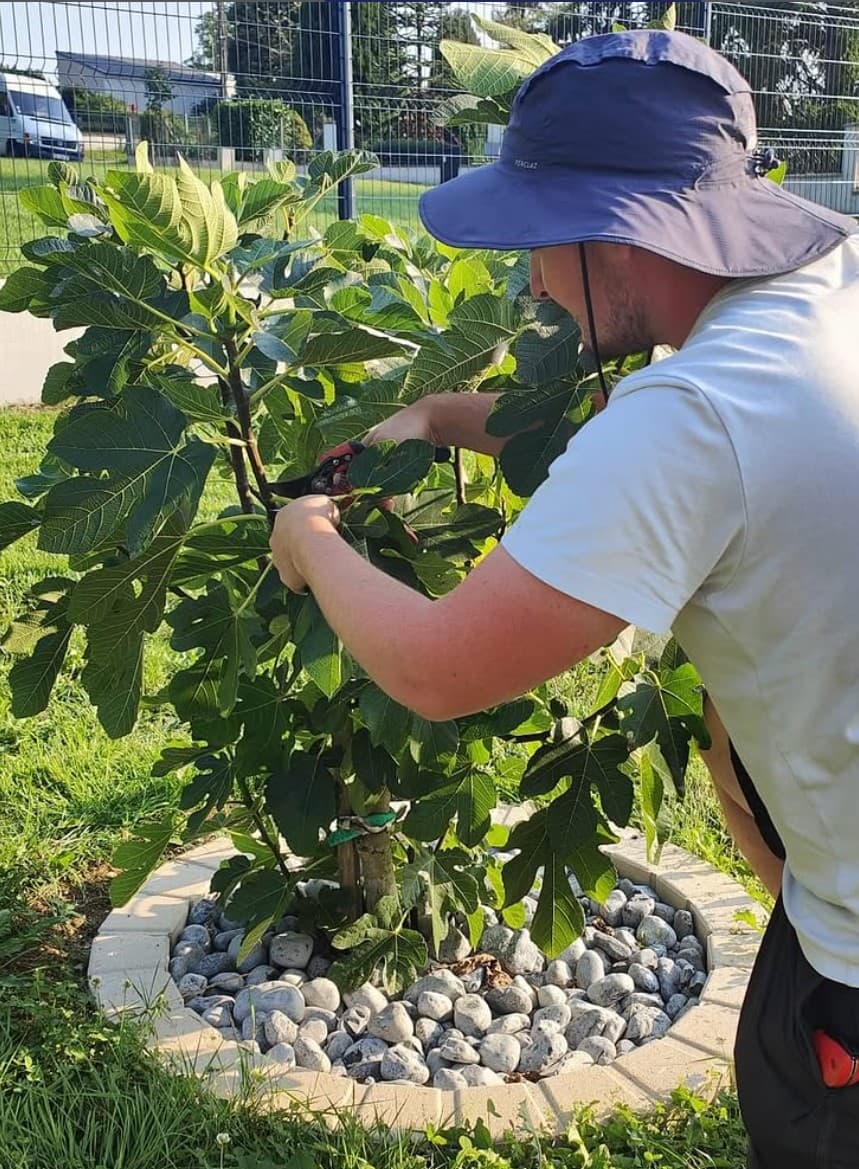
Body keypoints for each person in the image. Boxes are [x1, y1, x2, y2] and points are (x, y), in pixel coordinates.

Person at [269, 28, 859, 1167]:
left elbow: (438, 669)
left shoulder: (694, 418)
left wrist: (311, 544)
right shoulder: (820, 296)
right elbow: (673, 468)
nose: (531, 279)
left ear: (618, 233)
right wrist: (441, 415)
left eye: (537, 240)